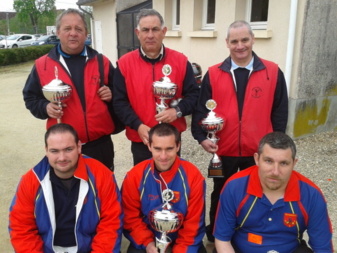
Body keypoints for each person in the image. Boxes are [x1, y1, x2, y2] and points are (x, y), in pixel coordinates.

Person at [191, 20, 289, 241]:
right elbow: (200, 111)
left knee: (258, 195)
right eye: (234, 41)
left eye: (245, 39)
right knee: (221, 193)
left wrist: (276, 145)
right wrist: (201, 138)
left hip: (259, 151)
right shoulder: (214, 73)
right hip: (223, 149)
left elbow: (280, 111)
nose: (240, 45)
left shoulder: (272, 71)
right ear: (227, 43)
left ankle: (251, 236)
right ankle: (217, 235)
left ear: (253, 39)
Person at [23, 8, 118, 170]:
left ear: (86, 33)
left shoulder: (102, 62)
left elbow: (121, 95)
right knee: (69, 194)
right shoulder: (42, 65)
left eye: (78, 29)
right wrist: (45, 107)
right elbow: (30, 98)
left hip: (100, 145)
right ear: (58, 32)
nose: (73, 33)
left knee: (103, 191)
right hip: (64, 149)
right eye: (67, 28)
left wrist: (111, 94)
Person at [9, 123, 123, 253]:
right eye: (54, 151)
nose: (62, 157)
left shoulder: (102, 175)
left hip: (91, 248)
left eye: (68, 149)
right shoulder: (30, 181)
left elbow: (111, 223)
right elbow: (20, 227)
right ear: (46, 150)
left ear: (79, 147)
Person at [214, 132, 333, 253]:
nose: (275, 171)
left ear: (294, 163)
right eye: (268, 161)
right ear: (257, 159)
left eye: (283, 163)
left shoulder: (311, 194)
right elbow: (222, 239)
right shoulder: (234, 186)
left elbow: (323, 248)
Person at [113, 8, 199, 165]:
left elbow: (194, 95)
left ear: (164, 31)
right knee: (144, 183)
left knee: (172, 183)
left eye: (155, 29)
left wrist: (177, 111)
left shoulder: (180, 61)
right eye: (145, 30)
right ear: (138, 33)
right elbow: (119, 102)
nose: (150, 35)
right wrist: (137, 125)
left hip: (171, 140)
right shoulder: (124, 64)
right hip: (141, 138)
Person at [121, 123, 206, 253]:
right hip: (148, 237)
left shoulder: (193, 176)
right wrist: (148, 244)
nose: (163, 156)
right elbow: (130, 218)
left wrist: (180, 250)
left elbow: (193, 224)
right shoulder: (134, 176)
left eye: (169, 149)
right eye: (158, 149)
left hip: (182, 238)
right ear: (149, 146)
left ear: (178, 146)